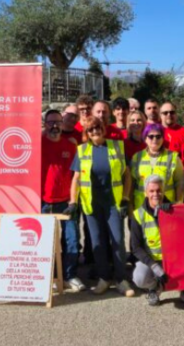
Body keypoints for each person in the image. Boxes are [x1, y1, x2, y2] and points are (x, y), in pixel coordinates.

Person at [66, 117, 135, 297]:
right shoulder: (82, 151)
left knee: (118, 241)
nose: (95, 132)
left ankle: (121, 280)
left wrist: (126, 197)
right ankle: (104, 278)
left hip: (114, 203)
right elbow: (76, 179)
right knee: (97, 242)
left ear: (103, 128)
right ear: (86, 133)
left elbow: (127, 175)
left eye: (97, 127)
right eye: (90, 130)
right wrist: (73, 202)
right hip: (91, 204)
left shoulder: (117, 146)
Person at [131, 175, 184, 309]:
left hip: (175, 259)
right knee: (139, 278)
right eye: (151, 191)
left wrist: (173, 212)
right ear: (146, 192)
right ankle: (155, 287)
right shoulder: (138, 215)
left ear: (164, 191)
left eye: (159, 190)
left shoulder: (176, 210)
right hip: (152, 260)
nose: (156, 194)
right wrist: (155, 267)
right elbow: (136, 248)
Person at [40, 110, 83, 292]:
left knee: (71, 240)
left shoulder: (71, 145)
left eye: (58, 122)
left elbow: (76, 175)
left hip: (66, 201)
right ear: (45, 124)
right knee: (44, 241)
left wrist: (73, 200)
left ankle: (69, 275)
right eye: (51, 122)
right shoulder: (37, 144)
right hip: (43, 202)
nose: (55, 126)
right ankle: (46, 276)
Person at [130, 123, 184, 209]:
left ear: (163, 139)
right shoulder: (137, 157)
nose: (155, 139)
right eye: (151, 136)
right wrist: (130, 204)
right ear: (145, 139)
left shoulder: (173, 157)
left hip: (167, 206)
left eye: (158, 136)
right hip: (141, 206)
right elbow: (131, 183)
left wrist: (178, 203)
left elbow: (180, 182)